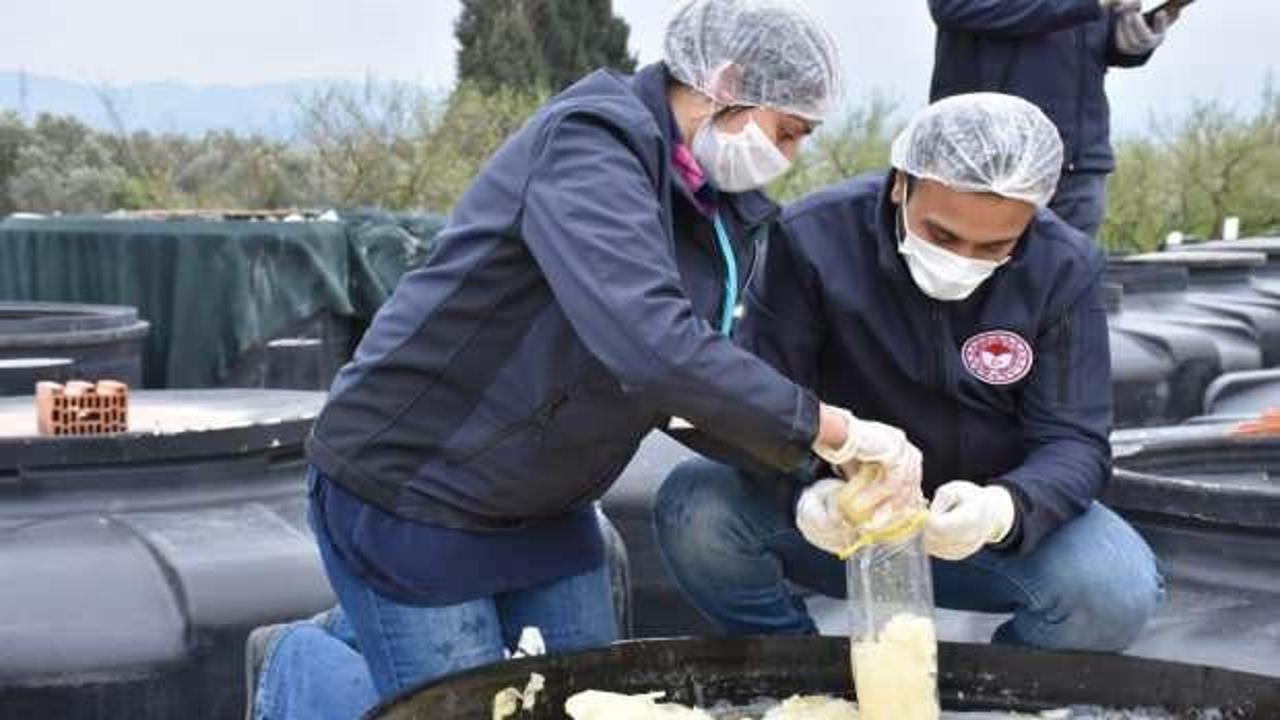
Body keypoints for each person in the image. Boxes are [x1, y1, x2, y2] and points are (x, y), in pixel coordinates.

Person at [242, 2, 924, 719]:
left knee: (585, 702)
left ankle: (359, 633)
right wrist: (835, 428)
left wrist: (813, 470)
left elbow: (690, 385)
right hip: (419, 483)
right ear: (727, 81)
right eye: (786, 130)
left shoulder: (717, 210)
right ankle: (299, 669)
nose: (788, 156)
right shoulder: (591, 145)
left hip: (546, 496)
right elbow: (652, 345)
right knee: (457, 707)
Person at [654, 93, 1164, 651]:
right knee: (697, 509)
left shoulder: (1063, 268)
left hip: (979, 528)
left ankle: (999, 694)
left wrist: (1003, 509)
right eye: (943, 235)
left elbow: (1076, 441)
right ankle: (804, 675)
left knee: (1115, 584)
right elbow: (764, 400)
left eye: (995, 246)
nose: (963, 258)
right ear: (901, 183)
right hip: (848, 512)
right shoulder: (812, 239)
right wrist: (804, 491)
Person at [927, 0, 1180, 238]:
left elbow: (1083, 35)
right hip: (988, 165)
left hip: (1078, 168)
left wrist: (1129, 41)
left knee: (1071, 282)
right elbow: (954, 7)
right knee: (980, 281)